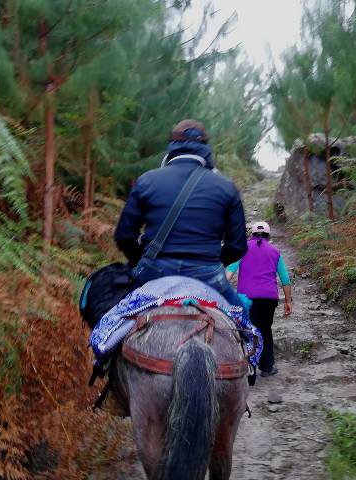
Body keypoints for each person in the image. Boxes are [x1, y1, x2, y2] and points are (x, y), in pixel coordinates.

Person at [114, 119, 248, 313]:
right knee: (245, 326)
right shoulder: (226, 187)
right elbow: (237, 247)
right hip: (208, 273)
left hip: (154, 272)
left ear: (172, 146)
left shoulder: (146, 181)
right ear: (205, 147)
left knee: (113, 324)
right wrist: (213, 262)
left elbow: (124, 236)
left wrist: (140, 259)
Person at [226, 221, 292, 377]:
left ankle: (250, 369)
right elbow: (285, 279)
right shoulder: (275, 251)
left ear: (251, 235)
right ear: (268, 236)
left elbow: (228, 274)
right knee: (265, 330)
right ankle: (267, 367)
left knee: (248, 330)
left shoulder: (242, 249)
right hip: (269, 298)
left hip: (246, 298)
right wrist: (288, 301)